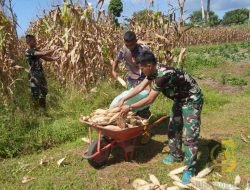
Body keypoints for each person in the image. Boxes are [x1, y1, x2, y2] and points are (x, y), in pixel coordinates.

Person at [118, 50, 203, 184]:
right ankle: (175, 155)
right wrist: (124, 99)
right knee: (173, 128)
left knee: (190, 135)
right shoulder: (153, 71)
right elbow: (140, 87)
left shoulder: (162, 75)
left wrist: (129, 107)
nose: (141, 71)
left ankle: (189, 168)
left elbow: (150, 99)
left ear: (149, 65)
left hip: (191, 99)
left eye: (142, 68)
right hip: (179, 99)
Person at [111, 31, 151, 119]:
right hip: (131, 80)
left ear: (136, 41)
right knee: (130, 103)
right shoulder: (124, 49)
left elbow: (151, 65)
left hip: (143, 80)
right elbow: (117, 60)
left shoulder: (144, 50)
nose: (129, 47)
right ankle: (132, 123)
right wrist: (113, 70)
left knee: (143, 105)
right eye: (127, 45)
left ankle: (144, 126)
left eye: (131, 45)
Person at [25, 34, 58, 110]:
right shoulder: (29, 51)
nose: (36, 41)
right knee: (36, 93)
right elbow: (43, 53)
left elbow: (45, 58)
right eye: (34, 40)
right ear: (29, 42)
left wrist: (55, 59)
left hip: (40, 73)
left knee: (44, 91)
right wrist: (53, 50)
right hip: (34, 74)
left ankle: (43, 110)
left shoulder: (35, 50)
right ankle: (35, 111)